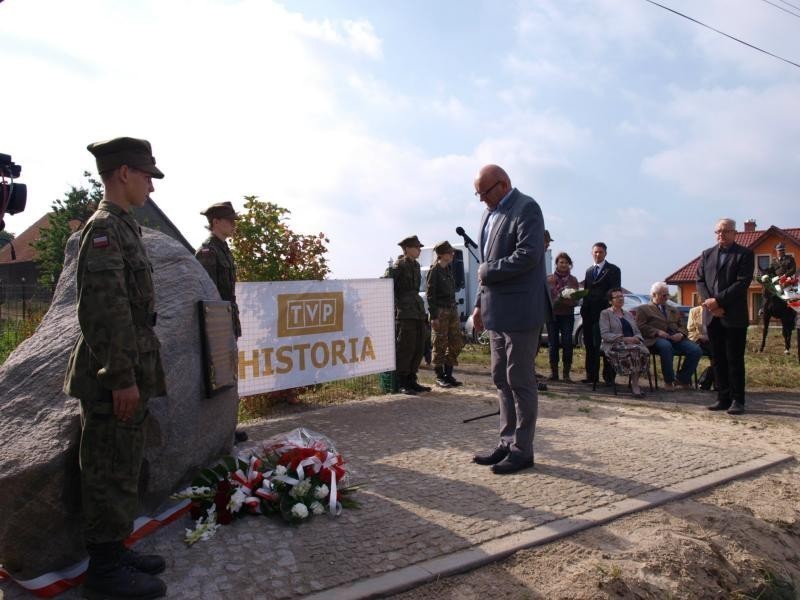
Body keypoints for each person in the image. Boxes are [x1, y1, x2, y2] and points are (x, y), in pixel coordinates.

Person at [64, 137, 168, 599]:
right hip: (113, 377)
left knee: (123, 464)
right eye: (146, 174)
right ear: (123, 173)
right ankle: (103, 574)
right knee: (106, 469)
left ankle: (115, 549)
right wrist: (121, 377)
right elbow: (105, 312)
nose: (151, 184)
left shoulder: (125, 227)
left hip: (129, 370)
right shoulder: (104, 229)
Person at [470, 164, 549, 475]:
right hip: (496, 312)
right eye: (477, 194)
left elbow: (529, 254)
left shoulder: (526, 208)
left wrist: (489, 272)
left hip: (521, 311)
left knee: (520, 379)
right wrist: (478, 305)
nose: (481, 200)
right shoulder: (488, 215)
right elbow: (484, 266)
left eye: (484, 193)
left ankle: (522, 450)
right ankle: (506, 442)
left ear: (503, 184)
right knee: (501, 378)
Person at [196, 201, 248, 443]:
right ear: (216, 221)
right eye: (230, 220)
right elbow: (207, 293)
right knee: (217, 378)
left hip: (227, 320)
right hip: (215, 324)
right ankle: (218, 430)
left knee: (229, 376)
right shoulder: (208, 251)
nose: (234, 225)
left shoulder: (223, 249)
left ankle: (228, 427)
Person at [696, 218, 755, 415]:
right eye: (717, 231)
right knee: (718, 359)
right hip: (712, 316)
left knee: (734, 359)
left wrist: (719, 302)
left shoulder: (744, 254)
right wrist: (711, 304)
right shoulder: (707, 254)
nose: (720, 234)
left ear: (734, 232)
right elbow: (700, 281)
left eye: (725, 231)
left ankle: (738, 400)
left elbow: (742, 283)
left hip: (734, 316)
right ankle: (723, 397)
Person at [636, 282, 702, 389]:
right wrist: (657, 332)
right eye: (663, 295)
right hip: (656, 339)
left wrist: (680, 334)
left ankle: (682, 379)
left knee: (696, 350)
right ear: (654, 294)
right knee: (666, 347)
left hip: (675, 338)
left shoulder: (673, 309)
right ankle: (669, 381)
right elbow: (640, 326)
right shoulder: (643, 309)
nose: (666, 298)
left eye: (667, 295)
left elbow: (683, 326)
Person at [386, 235, 430, 395]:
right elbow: (387, 284)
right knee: (406, 346)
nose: (419, 250)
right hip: (404, 312)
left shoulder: (416, 266)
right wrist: (395, 306)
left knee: (418, 346)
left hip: (417, 310)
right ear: (407, 248)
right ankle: (402, 381)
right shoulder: (399, 265)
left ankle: (412, 379)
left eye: (419, 247)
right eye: (417, 247)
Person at [580, 242, 621, 385]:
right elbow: (586, 291)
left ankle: (609, 377)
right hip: (589, 314)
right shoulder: (589, 271)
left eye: (601, 252)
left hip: (605, 313)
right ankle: (591, 375)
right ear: (592, 253)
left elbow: (614, 292)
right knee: (590, 345)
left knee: (607, 345)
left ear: (605, 253)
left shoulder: (613, 270)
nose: (598, 254)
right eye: (595, 252)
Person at [426, 240, 464, 387]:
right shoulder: (434, 271)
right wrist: (434, 316)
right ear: (441, 255)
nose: (452, 254)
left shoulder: (448, 269)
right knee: (439, 343)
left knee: (456, 342)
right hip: (440, 312)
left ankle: (449, 374)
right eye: (450, 252)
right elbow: (430, 295)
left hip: (452, 310)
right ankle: (439, 376)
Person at [599, 288, 650, 397]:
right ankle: (635, 386)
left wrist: (637, 338)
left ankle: (634, 383)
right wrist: (624, 339)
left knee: (643, 351)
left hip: (632, 344)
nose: (620, 299)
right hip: (614, 344)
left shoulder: (628, 314)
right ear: (610, 301)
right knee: (635, 351)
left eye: (621, 296)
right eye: (617, 297)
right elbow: (605, 334)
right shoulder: (605, 314)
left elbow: (637, 332)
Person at [546, 251, 579, 382]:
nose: (563, 265)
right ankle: (554, 373)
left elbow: (577, 299)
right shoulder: (549, 279)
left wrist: (567, 300)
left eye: (566, 262)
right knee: (553, 344)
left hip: (567, 315)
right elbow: (545, 297)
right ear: (556, 264)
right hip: (552, 316)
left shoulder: (573, 280)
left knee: (567, 343)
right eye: (561, 262)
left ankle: (566, 374)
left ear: (569, 265)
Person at [687, 304, 715, 390]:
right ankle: (709, 383)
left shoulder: (716, 311)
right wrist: (700, 337)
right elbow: (690, 331)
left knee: (719, 355)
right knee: (715, 353)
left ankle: (705, 381)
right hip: (698, 341)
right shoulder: (694, 311)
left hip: (714, 340)